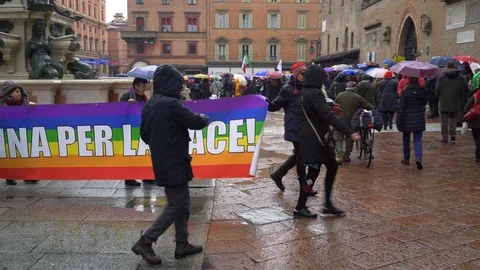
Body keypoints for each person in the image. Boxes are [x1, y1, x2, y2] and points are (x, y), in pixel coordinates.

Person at [131, 64, 209, 265]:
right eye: (177, 83)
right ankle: (145, 242)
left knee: (182, 204)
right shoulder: (170, 104)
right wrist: (204, 117)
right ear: (171, 84)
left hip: (163, 159)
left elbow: (144, 135)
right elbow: (196, 122)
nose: (179, 87)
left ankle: (182, 244)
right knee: (177, 205)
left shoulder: (151, 104)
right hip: (174, 160)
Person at [297, 65, 360, 218]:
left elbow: (318, 111)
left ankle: (327, 204)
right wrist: (348, 131)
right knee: (313, 173)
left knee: (331, 166)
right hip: (315, 139)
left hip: (314, 136)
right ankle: (300, 207)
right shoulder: (316, 93)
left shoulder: (305, 91)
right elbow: (327, 116)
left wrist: (329, 106)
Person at [267, 62, 316, 196]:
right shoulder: (287, 89)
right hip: (295, 127)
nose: (305, 76)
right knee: (301, 158)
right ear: (295, 75)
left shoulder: (308, 88)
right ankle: (303, 187)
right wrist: (265, 100)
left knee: (299, 155)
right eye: (302, 74)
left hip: (308, 127)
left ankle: (278, 174)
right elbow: (274, 106)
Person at [0, 81, 39, 185]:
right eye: (16, 91)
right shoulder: (2, 105)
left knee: (25, 154)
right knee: (9, 154)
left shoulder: (25, 103)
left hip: (22, 133)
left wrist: (32, 108)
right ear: (9, 93)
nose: (19, 94)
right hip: (7, 133)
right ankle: (10, 175)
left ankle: (28, 176)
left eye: (20, 91)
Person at [120, 78, 155, 187]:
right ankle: (129, 178)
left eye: (145, 86)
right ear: (136, 86)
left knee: (144, 152)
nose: (145, 88)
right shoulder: (128, 95)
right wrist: (127, 104)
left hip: (142, 128)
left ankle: (146, 175)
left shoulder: (144, 97)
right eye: (142, 86)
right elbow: (118, 110)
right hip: (130, 129)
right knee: (131, 154)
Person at [335, 81, 372, 164]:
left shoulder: (340, 95)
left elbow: (335, 104)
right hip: (351, 121)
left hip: (339, 120)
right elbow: (368, 106)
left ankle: (339, 156)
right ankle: (346, 156)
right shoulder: (357, 97)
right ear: (355, 88)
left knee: (339, 138)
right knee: (349, 139)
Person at [396, 76, 427, 170]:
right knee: (418, 140)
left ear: (408, 81)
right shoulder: (422, 91)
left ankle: (406, 158)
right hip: (418, 117)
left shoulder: (405, 92)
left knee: (406, 139)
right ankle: (418, 157)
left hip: (406, 118)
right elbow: (424, 103)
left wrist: (398, 120)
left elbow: (401, 107)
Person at [435, 61, 470, 143]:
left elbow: (437, 89)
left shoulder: (441, 77)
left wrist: (438, 97)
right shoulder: (460, 77)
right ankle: (453, 134)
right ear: (454, 67)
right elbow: (464, 89)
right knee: (454, 118)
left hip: (443, 101)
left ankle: (444, 137)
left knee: (444, 120)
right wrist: (461, 97)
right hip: (455, 100)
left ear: (446, 67)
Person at [463, 85, 480, 164]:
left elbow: (466, 108)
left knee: (477, 140)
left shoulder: (475, 96)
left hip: (476, 122)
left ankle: (478, 155)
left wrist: (465, 119)